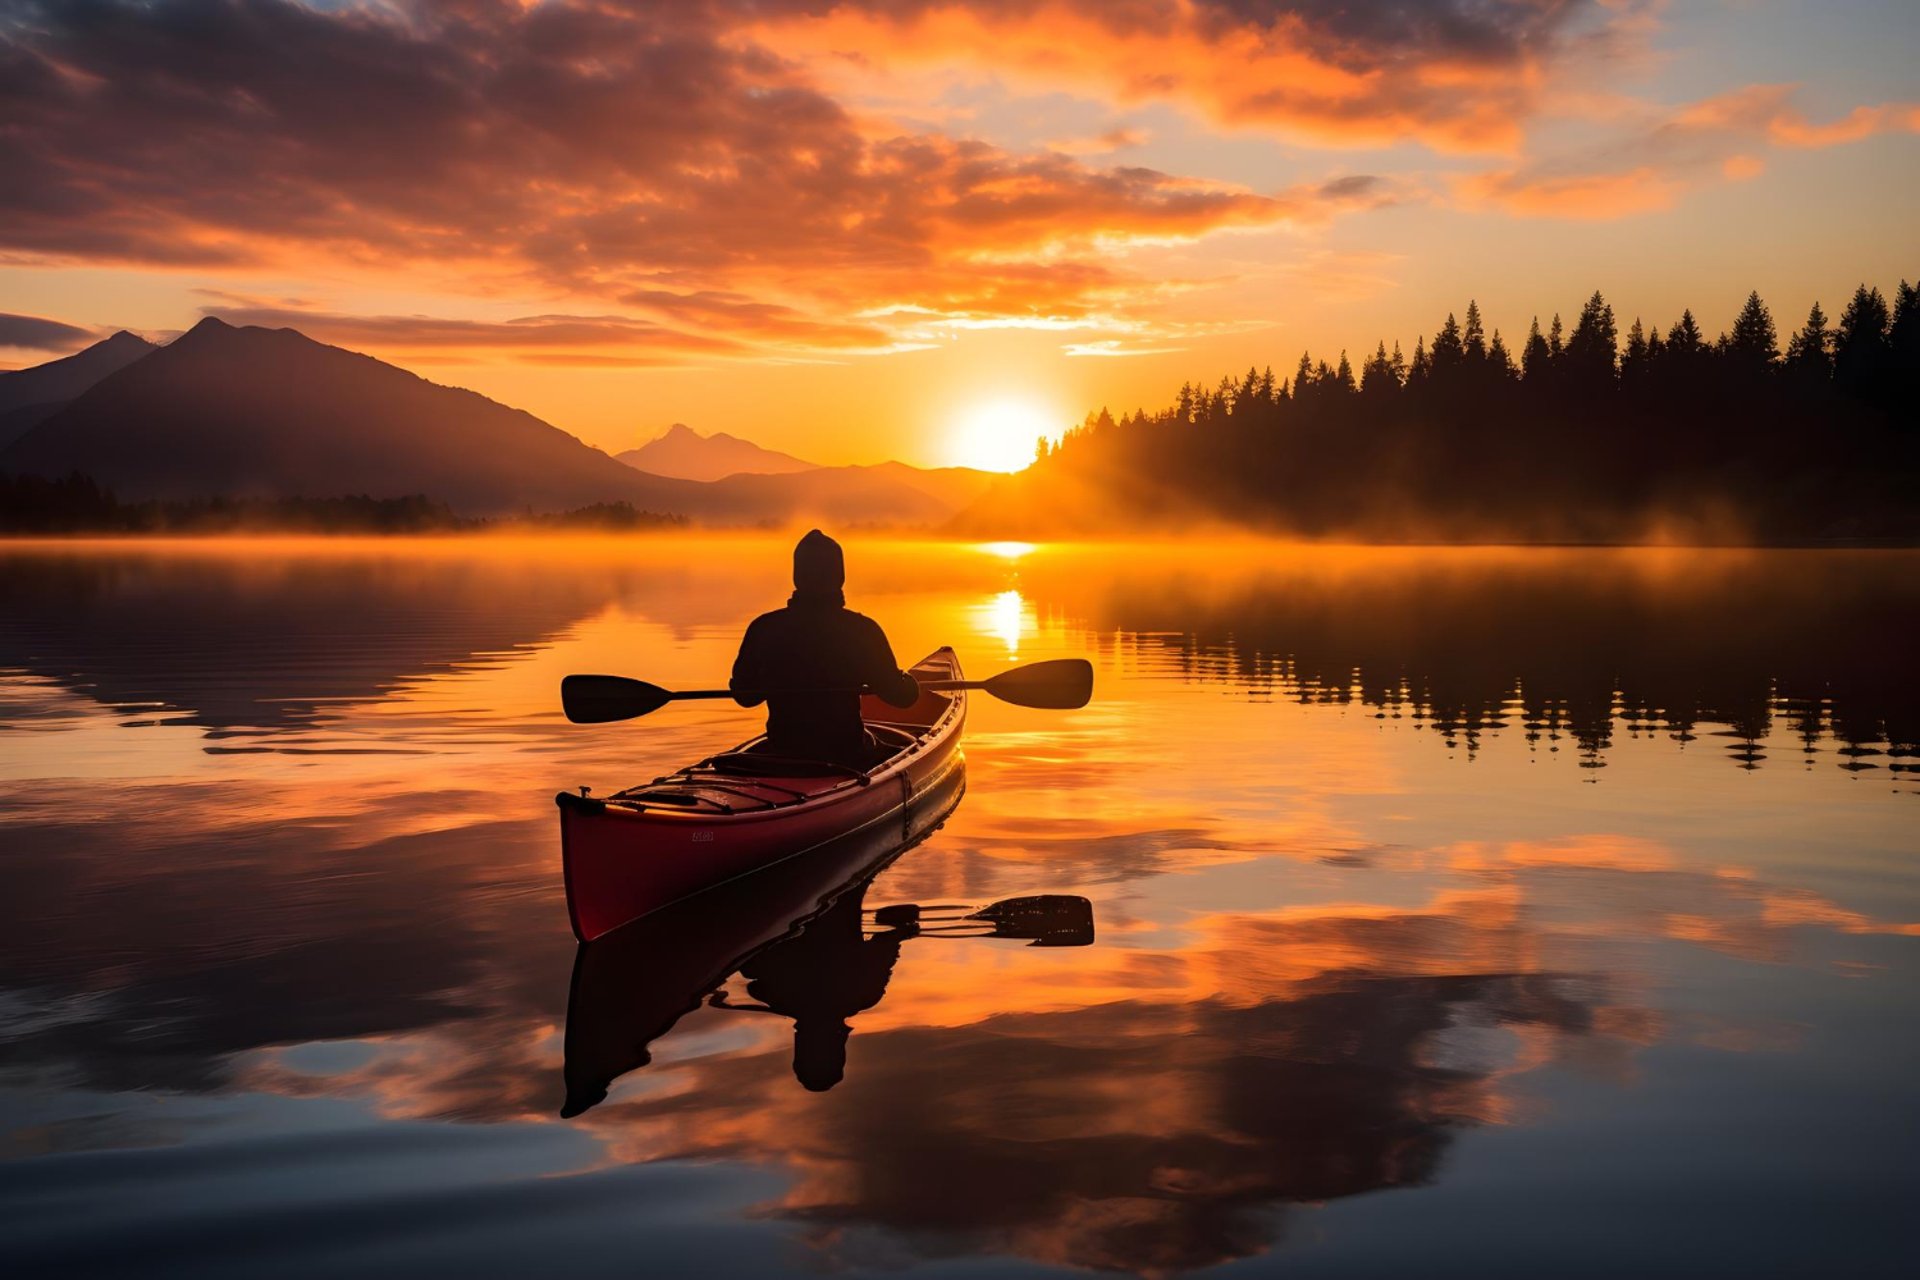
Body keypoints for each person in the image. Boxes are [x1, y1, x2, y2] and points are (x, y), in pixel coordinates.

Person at [730, 529, 920, 766]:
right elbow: (901, 697)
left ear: (797, 576)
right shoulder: (861, 630)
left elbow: (744, 696)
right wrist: (910, 683)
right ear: (839, 576)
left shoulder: (763, 627)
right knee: (900, 749)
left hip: (782, 750)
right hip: (846, 751)